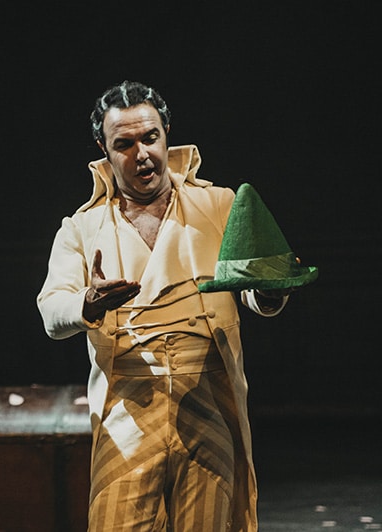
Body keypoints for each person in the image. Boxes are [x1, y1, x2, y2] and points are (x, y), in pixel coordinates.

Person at [36, 81, 291, 531]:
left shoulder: (217, 205)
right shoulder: (82, 227)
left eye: (150, 138)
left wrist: (269, 293)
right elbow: (52, 312)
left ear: (166, 134)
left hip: (208, 399)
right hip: (128, 411)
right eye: (124, 144)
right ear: (104, 149)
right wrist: (88, 303)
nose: (142, 155)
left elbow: (252, 287)